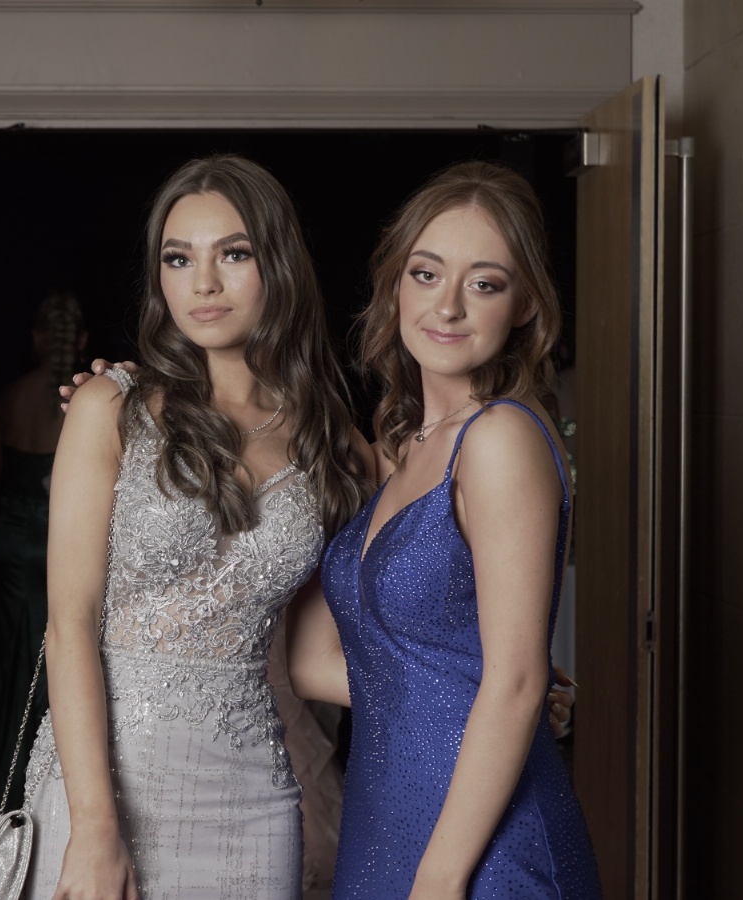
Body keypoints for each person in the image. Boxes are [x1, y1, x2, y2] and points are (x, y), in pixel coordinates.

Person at [23, 154, 374, 900]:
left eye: (234, 254)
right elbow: (68, 623)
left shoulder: (329, 440)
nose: (202, 283)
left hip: (253, 800)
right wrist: (95, 828)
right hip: (100, 791)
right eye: (178, 258)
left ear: (279, 265)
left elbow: (423, 540)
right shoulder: (110, 407)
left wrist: (480, 681)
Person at [287, 161, 600, 898]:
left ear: (525, 305)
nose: (448, 306)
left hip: (479, 854)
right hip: (386, 825)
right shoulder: (398, 453)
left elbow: (517, 679)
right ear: (395, 283)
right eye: (426, 274)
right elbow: (309, 660)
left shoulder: (500, 438)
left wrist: (440, 875)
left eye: (484, 284)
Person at [0, 291, 87, 844]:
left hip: (13, 540)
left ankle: (0, 794)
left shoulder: (9, 396)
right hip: (64, 542)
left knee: (12, 657)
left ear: (36, 337)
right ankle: (46, 801)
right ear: (81, 340)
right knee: (62, 649)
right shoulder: (84, 401)